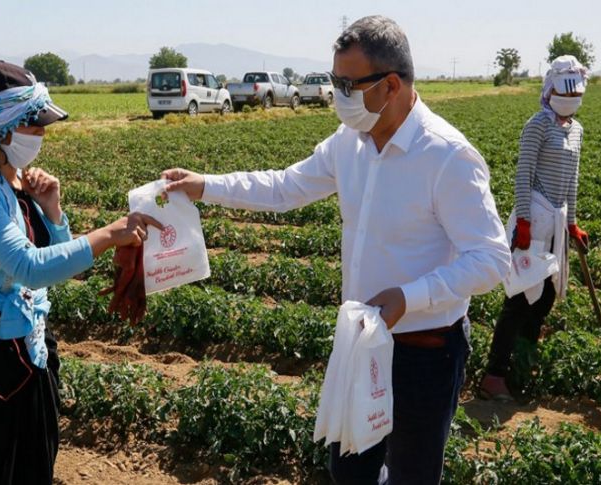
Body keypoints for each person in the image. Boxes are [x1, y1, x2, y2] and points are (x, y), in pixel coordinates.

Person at [161, 16, 510, 485]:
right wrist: (206, 186)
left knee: (412, 474)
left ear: (390, 85)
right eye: (334, 81)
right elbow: (285, 187)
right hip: (360, 342)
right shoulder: (350, 144)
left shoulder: (446, 157)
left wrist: (412, 296)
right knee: (349, 471)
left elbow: (490, 259)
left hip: (425, 352)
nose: (338, 94)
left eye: (348, 84)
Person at [0, 60, 161, 484]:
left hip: (29, 350)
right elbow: (27, 267)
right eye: (33, 124)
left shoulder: (12, 183)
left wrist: (52, 210)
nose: (42, 134)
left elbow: (48, 257)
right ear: (3, 125)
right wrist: (109, 234)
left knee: (32, 467)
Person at [479, 55, 590, 401]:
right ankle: (494, 375)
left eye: (575, 94)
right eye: (564, 92)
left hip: (556, 219)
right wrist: (524, 221)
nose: (570, 100)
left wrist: (572, 225)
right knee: (520, 296)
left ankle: (522, 361)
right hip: (535, 218)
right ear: (550, 89)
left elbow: (572, 180)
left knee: (544, 299)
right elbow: (523, 175)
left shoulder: (576, 131)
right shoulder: (537, 125)